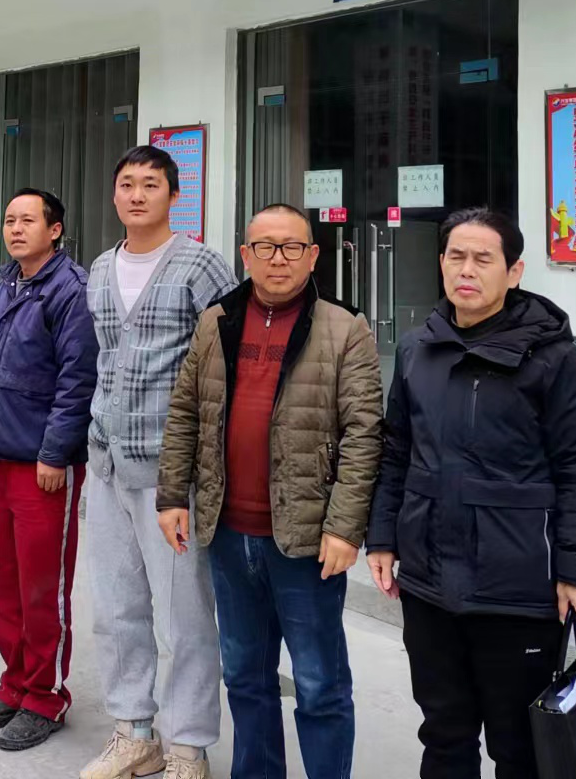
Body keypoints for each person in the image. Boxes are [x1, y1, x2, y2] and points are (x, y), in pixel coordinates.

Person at [367, 207, 576, 779]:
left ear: (514, 271)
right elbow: (396, 450)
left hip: (516, 589)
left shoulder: (553, 359)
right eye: (456, 256)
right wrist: (382, 536)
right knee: (443, 734)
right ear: (441, 263)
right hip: (429, 584)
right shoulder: (417, 349)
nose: (467, 270)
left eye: (483, 258)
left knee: (519, 745)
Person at [157, 204, 383, 779]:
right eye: (264, 246)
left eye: (291, 247)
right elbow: (185, 412)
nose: (277, 258)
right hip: (228, 534)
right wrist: (172, 495)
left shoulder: (345, 327)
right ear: (245, 255)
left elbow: (364, 434)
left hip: (306, 541)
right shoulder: (216, 321)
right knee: (244, 677)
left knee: (319, 683)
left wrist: (344, 527)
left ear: (313, 256)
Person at [80, 146, 237, 779]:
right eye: (127, 184)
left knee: (185, 617)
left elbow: (227, 364)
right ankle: (133, 732)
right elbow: (101, 361)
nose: (137, 194)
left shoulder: (200, 265)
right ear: (114, 195)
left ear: (175, 195)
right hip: (106, 464)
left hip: (171, 476)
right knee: (116, 607)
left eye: (151, 184)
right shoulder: (99, 268)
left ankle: (189, 747)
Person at [0, 188, 99, 752]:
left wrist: (55, 453)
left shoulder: (70, 290)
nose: (16, 229)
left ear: (55, 229)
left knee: (43, 589)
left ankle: (45, 696)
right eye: (9, 220)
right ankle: (15, 683)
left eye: (28, 220)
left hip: (43, 466)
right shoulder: (7, 283)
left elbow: (78, 379)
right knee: (0, 584)